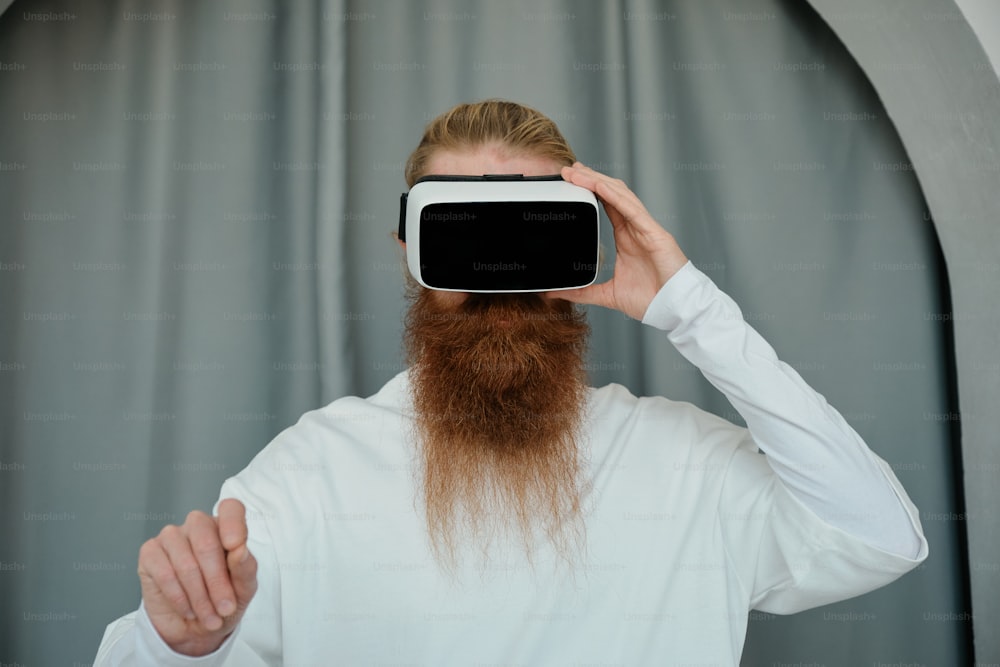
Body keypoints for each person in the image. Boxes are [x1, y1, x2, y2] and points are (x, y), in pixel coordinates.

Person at [96, 99, 927, 666]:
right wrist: (178, 640)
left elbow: (881, 536)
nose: (498, 277)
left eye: (527, 231)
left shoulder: (685, 462)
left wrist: (687, 305)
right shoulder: (311, 471)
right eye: (464, 233)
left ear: (587, 240)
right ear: (409, 249)